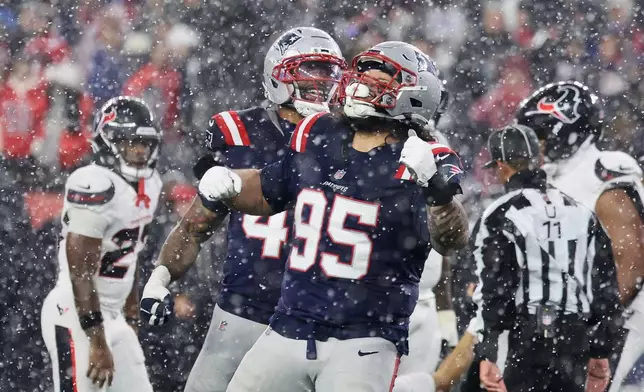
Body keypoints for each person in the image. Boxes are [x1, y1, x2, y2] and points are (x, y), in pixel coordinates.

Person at [197, 41, 469, 392]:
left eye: (375, 82)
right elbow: (267, 191)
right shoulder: (320, 134)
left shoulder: (426, 157)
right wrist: (232, 183)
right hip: (288, 326)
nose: (358, 86)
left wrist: (437, 191)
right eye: (360, 77)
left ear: (414, 95)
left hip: (364, 341)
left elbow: (452, 239)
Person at [139, 27, 347, 392]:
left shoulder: (351, 138)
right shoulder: (239, 130)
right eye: (309, 69)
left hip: (318, 317)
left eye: (328, 72)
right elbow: (196, 224)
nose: (320, 83)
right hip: (244, 307)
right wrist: (160, 278)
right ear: (278, 75)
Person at [470, 124, 622, 392]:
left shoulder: (500, 214)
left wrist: (488, 351)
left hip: (523, 338)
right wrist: (601, 349)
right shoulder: (580, 211)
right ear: (538, 160)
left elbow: (494, 289)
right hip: (574, 337)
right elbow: (605, 287)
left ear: (502, 165)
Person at [515, 81, 644, 391]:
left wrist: (597, 323)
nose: (535, 145)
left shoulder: (600, 170)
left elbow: (630, 259)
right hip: (571, 312)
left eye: (541, 134)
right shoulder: (552, 178)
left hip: (621, 313)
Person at [41, 96, 162, 392]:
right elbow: (80, 272)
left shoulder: (151, 184)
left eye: (144, 143)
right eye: (130, 142)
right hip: (74, 313)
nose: (139, 150)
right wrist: (96, 340)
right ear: (108, 142)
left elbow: (130, 257)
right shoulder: (93, 183)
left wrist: (131, 313)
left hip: (113, 314)